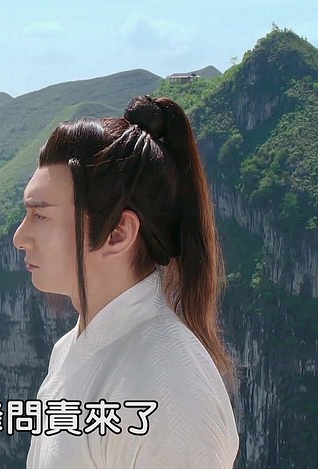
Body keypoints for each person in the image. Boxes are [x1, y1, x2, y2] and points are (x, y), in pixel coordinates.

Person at [13, 96, 239, 468]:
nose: (20, 237)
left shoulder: (168, 392)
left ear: (118, 233)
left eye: (41, 216)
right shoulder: (70, 349)